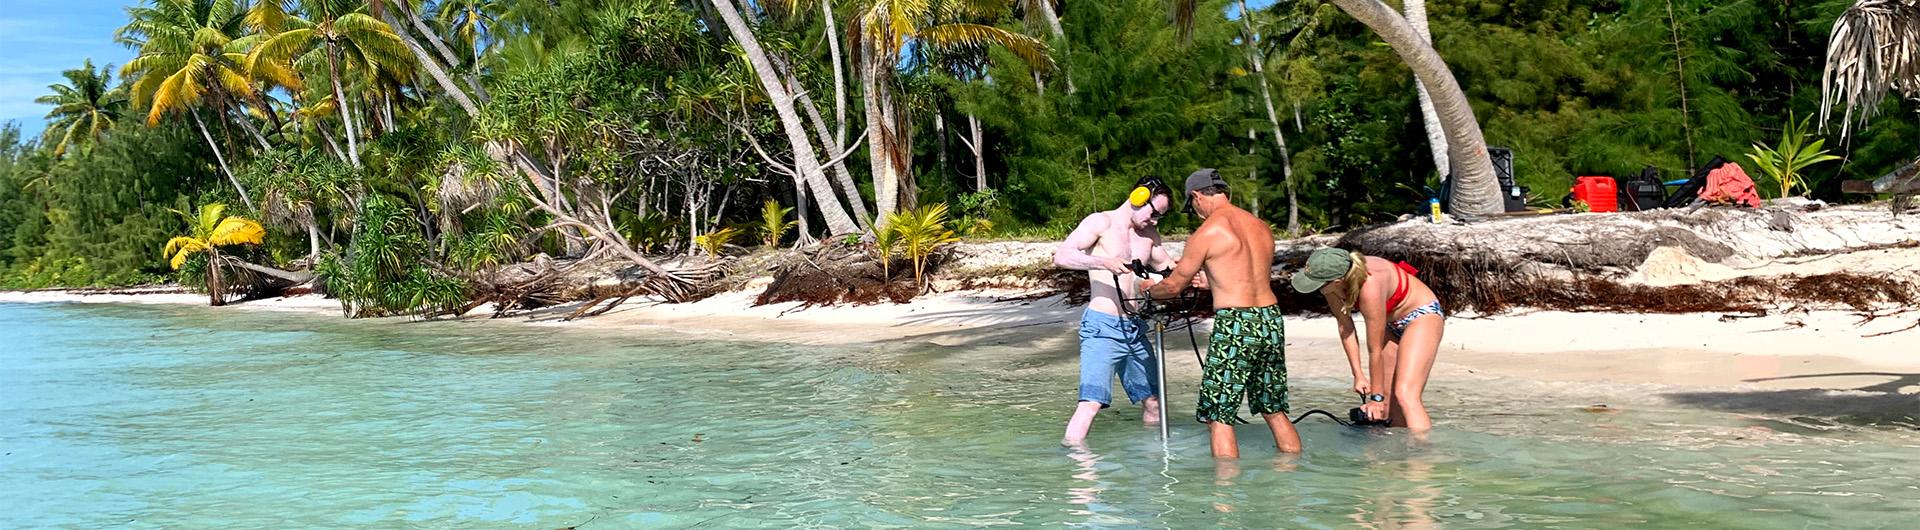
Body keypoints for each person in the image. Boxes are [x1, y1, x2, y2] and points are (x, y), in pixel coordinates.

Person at [1143, 168, 1301, 458]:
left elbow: (1175, 285)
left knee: (1219, 415)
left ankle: (1224, 496)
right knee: (1273, 407)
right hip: (1269, 318)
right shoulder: (1260, 226)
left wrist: (1148, 289)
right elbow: (1245, 275)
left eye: (1193, 208)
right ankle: (1291, 479)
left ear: (1197, 196)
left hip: (1236, 324)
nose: (1196, 214)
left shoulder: (1207, 232)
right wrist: (1210, 283)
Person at [1052, 175, 1177, 446]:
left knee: (1154, 402)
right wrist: (1103, 262)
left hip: (1135, 328)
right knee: (1091, 403)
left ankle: (1152, 464)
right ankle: (1079, 472)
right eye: (1154, 213)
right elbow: (1062, 256)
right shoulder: (1101, 222)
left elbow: (1171, 268)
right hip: (1102, 326)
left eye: (1161, 217)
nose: (1155, 221)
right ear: (1138, 198)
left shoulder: (1149, 236)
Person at [1290, 247, 1444, 432]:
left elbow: (1375, 349)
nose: (1318, 289)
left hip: (1421, 316)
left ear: (1338, 281)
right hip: (1391, 323)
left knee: (1405, 394)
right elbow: (1345, 327)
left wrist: (1375, 399)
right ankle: (1395, 454)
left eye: (1320, 284)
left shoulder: (1370, 286)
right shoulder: (1332, 286)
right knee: (1387, 406)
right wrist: (1359, 376)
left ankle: (1425, 456)